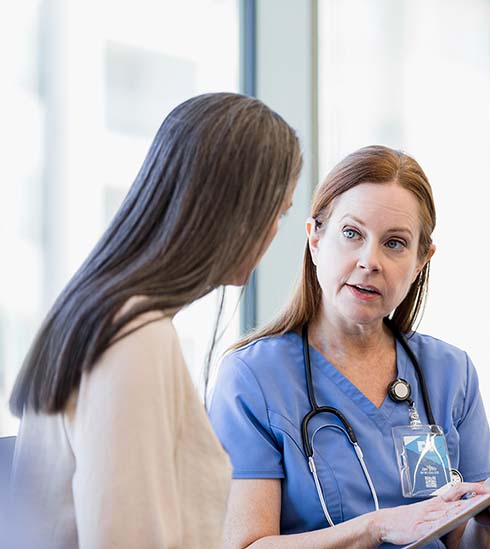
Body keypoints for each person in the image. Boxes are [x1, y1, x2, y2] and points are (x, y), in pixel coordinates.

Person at [7, 92, 303, 548]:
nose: (273, 233)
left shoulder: (104, 312)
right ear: (236, 210)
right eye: (278, 212)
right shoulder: (133, 335)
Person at [208, 145, 490, 548]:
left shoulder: (450, 371)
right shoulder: (254, 377)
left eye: (395, 243)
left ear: (421, 261)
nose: (370, 260)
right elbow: (246, 545)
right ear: (315, 239)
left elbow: (473, 541)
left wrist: (486, 517)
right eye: (352, 234)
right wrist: (377, 527)